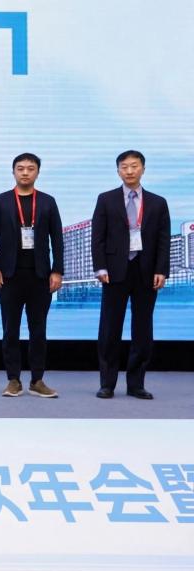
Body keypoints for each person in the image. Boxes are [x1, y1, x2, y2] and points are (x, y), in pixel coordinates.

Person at [92, 150, 170, 400]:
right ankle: (107, 384)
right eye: (124, 166)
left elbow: (163, 240)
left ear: (143, 169)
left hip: (146, 271)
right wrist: (100, 267)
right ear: (118, 171)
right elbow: (98, 237)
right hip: (114, 272)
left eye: (134, 166)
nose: (129, 171)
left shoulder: (158, 202)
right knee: (109, 328)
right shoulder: (106, 199)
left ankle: (136, 384)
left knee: (143, 329)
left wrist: (161, 270)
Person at [0, 153, 63, 398]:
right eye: (20, 168)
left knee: (38, 330)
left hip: (40, 275)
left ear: (37, 172)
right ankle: (13, 380)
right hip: (9, 275)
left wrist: (57, 270)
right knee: (11, 329)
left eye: (30, 168)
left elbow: (57, 239)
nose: (25, 172)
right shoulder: (1, 201)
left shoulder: (48, 202)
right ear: (14, 172)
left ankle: (37, 380)